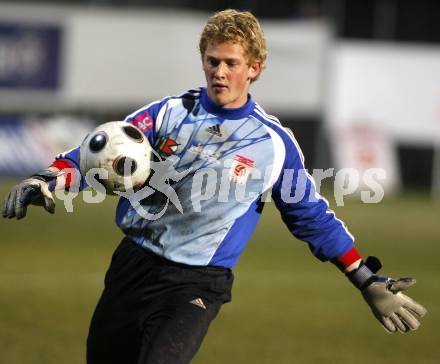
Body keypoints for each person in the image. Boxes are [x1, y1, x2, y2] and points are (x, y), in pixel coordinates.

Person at [2, 9, 427, 364]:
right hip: (133, 264)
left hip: (196, 284)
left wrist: (366, 279)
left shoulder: (272, 145)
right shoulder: (169, 112)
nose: (219, 72)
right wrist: (52, 177)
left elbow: (310, 217)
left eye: (231, 63)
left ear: (254, 69)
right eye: (212, 61)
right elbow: (99, 149)